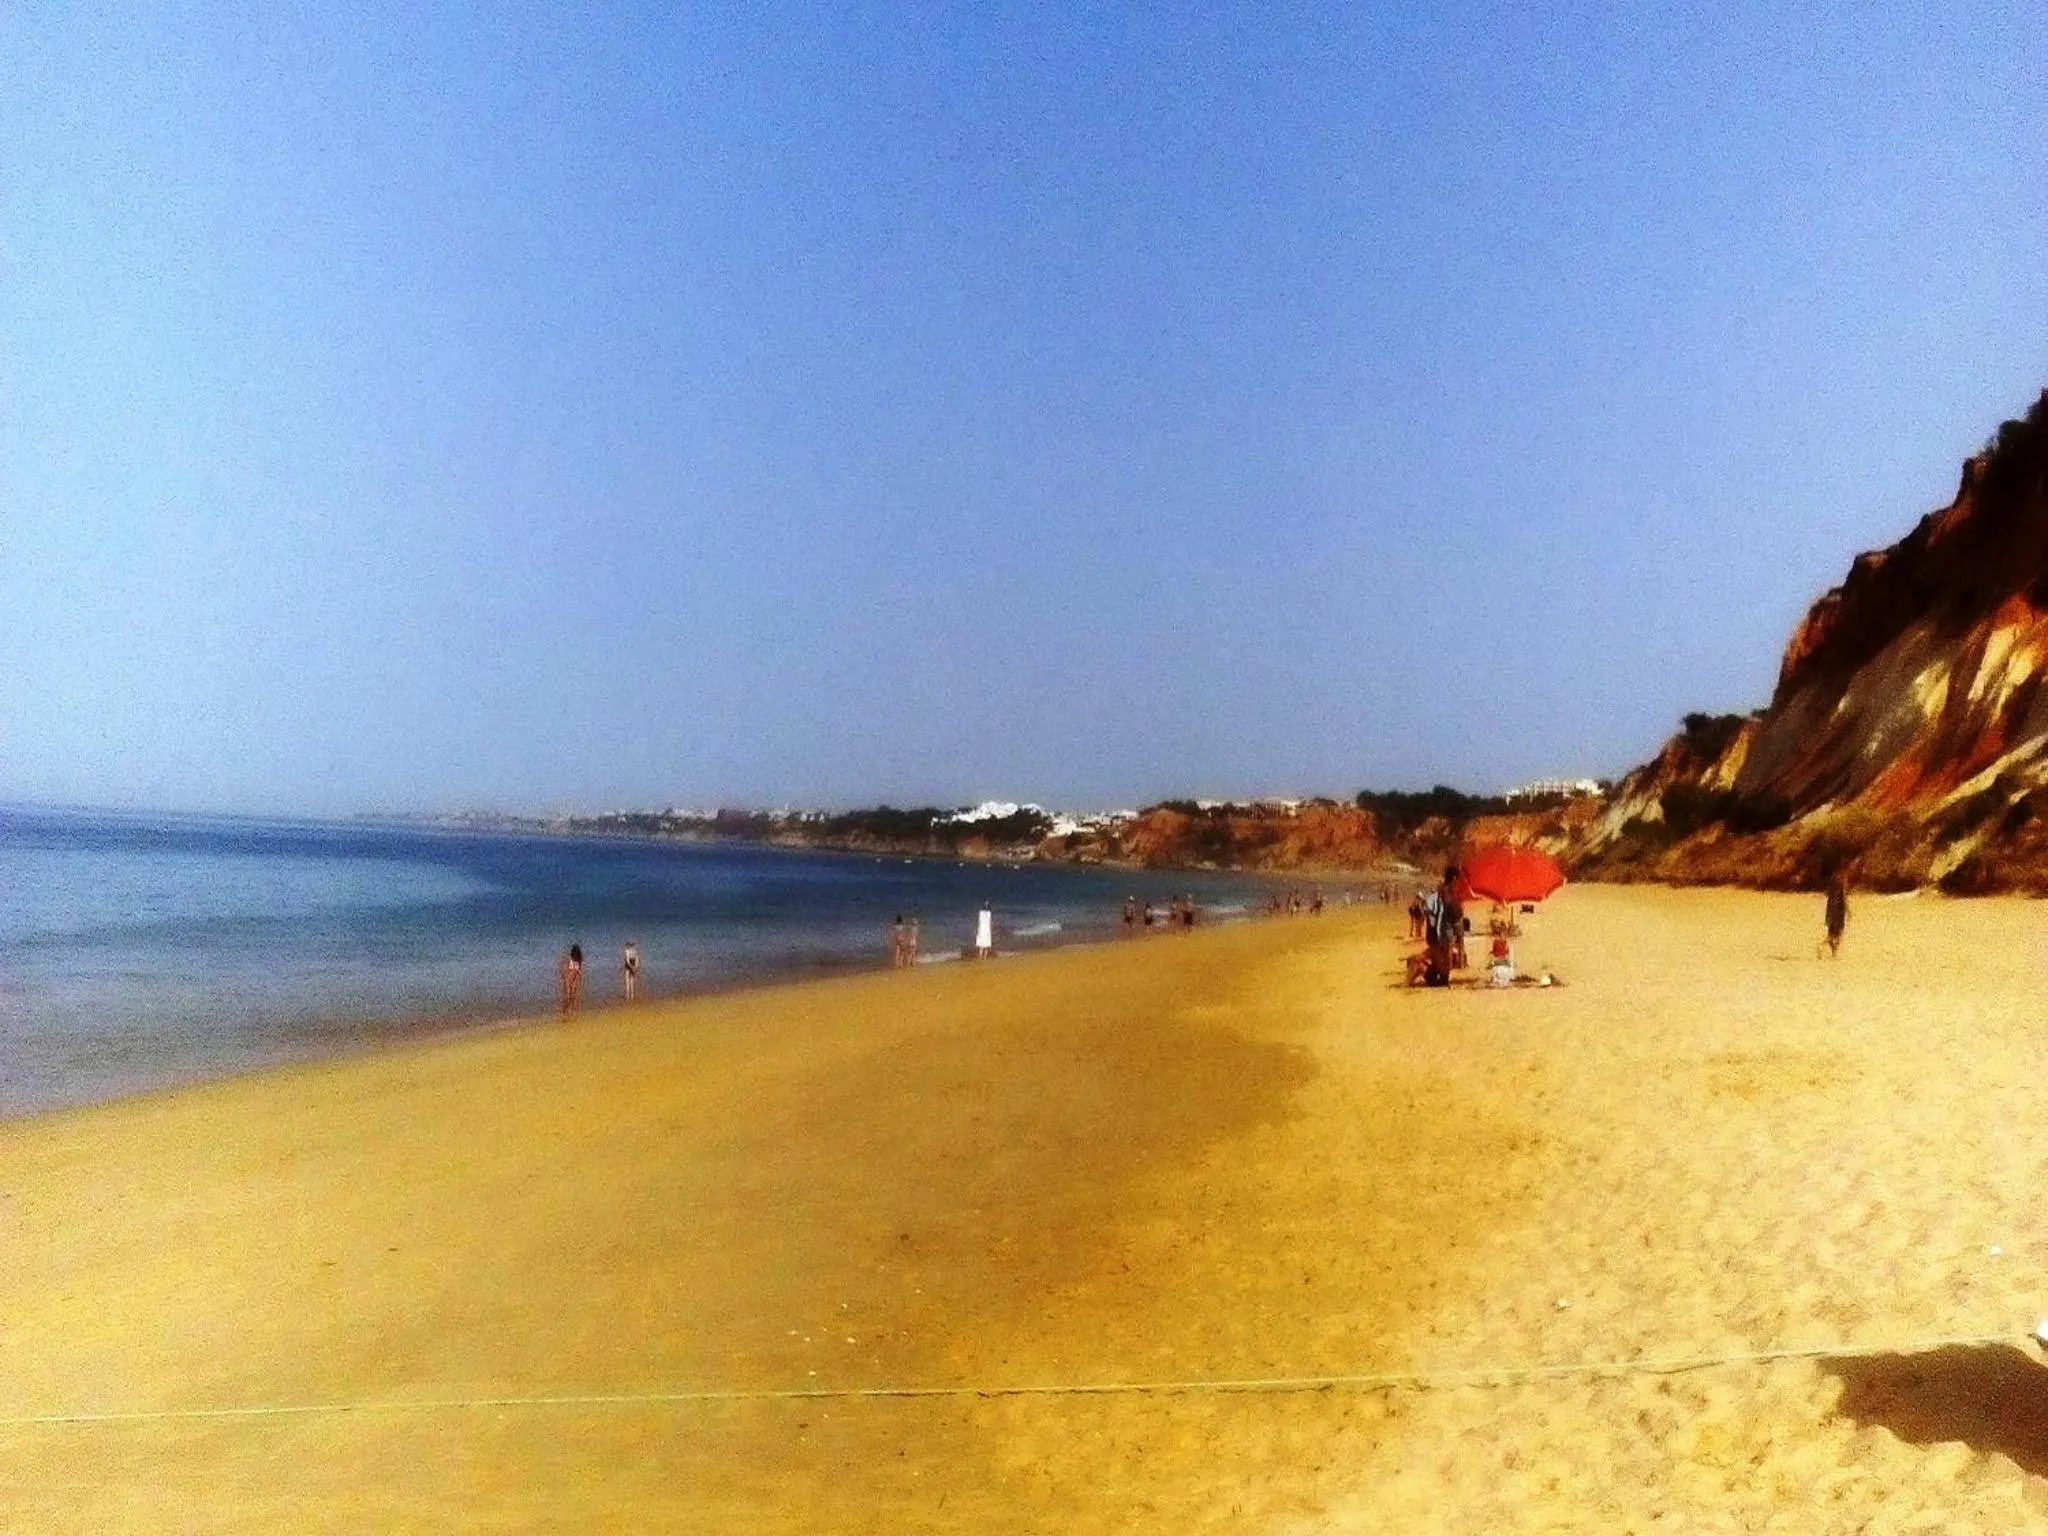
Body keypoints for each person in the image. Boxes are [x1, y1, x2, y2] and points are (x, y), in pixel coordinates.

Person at [1823, 871, 1849, 958]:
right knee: (1839, 932)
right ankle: (1827, 948)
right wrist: (1848, 910)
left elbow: (1826, 893)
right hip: (1839, 909)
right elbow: (1843, 896)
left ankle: (1833, 952)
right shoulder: (1843, 880)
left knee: (1831, 931)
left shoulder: (1833, 878)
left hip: (1830, 907)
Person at [558, 943, 583, 1013]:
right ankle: (564, 1012)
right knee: (568, 998)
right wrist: (563, 977)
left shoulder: (578, 961)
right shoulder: (570, 959)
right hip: (568, 981)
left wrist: (579, 981)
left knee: (573, 998)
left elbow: (578, 972)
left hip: (574, 980)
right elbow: (565, 970)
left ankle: (570, 1013)